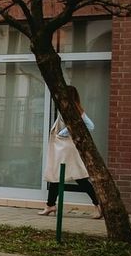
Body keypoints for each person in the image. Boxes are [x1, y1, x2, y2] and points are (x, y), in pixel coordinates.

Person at [40, 87, 102, 219]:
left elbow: (88, 126)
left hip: (64, 150)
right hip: (67, 149)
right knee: (70, 177)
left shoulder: (68, 109)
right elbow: (90, 126)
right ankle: (50, 205)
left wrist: (63, 134)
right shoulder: (77, 108)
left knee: (63, 176)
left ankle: (98, 204)